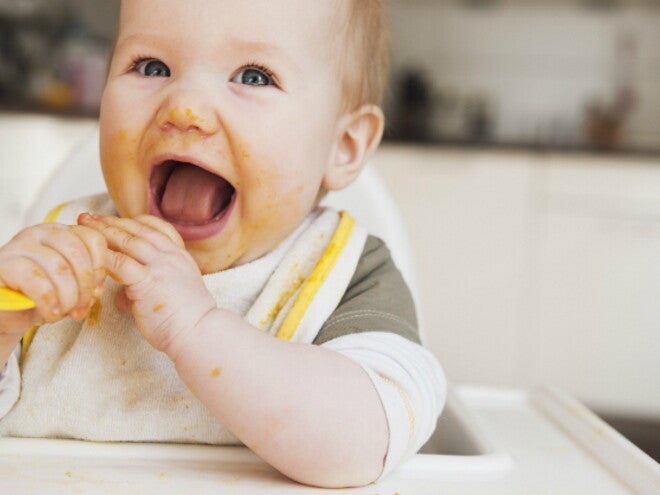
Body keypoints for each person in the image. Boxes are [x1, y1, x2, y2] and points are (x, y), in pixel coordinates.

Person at [0, 0, 445, 488]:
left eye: (254, 77)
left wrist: (196, 328)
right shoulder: (63, 253)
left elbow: (365, 444)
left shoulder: (344, 275)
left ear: (344, 146)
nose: (185, 108)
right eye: (152, 66)